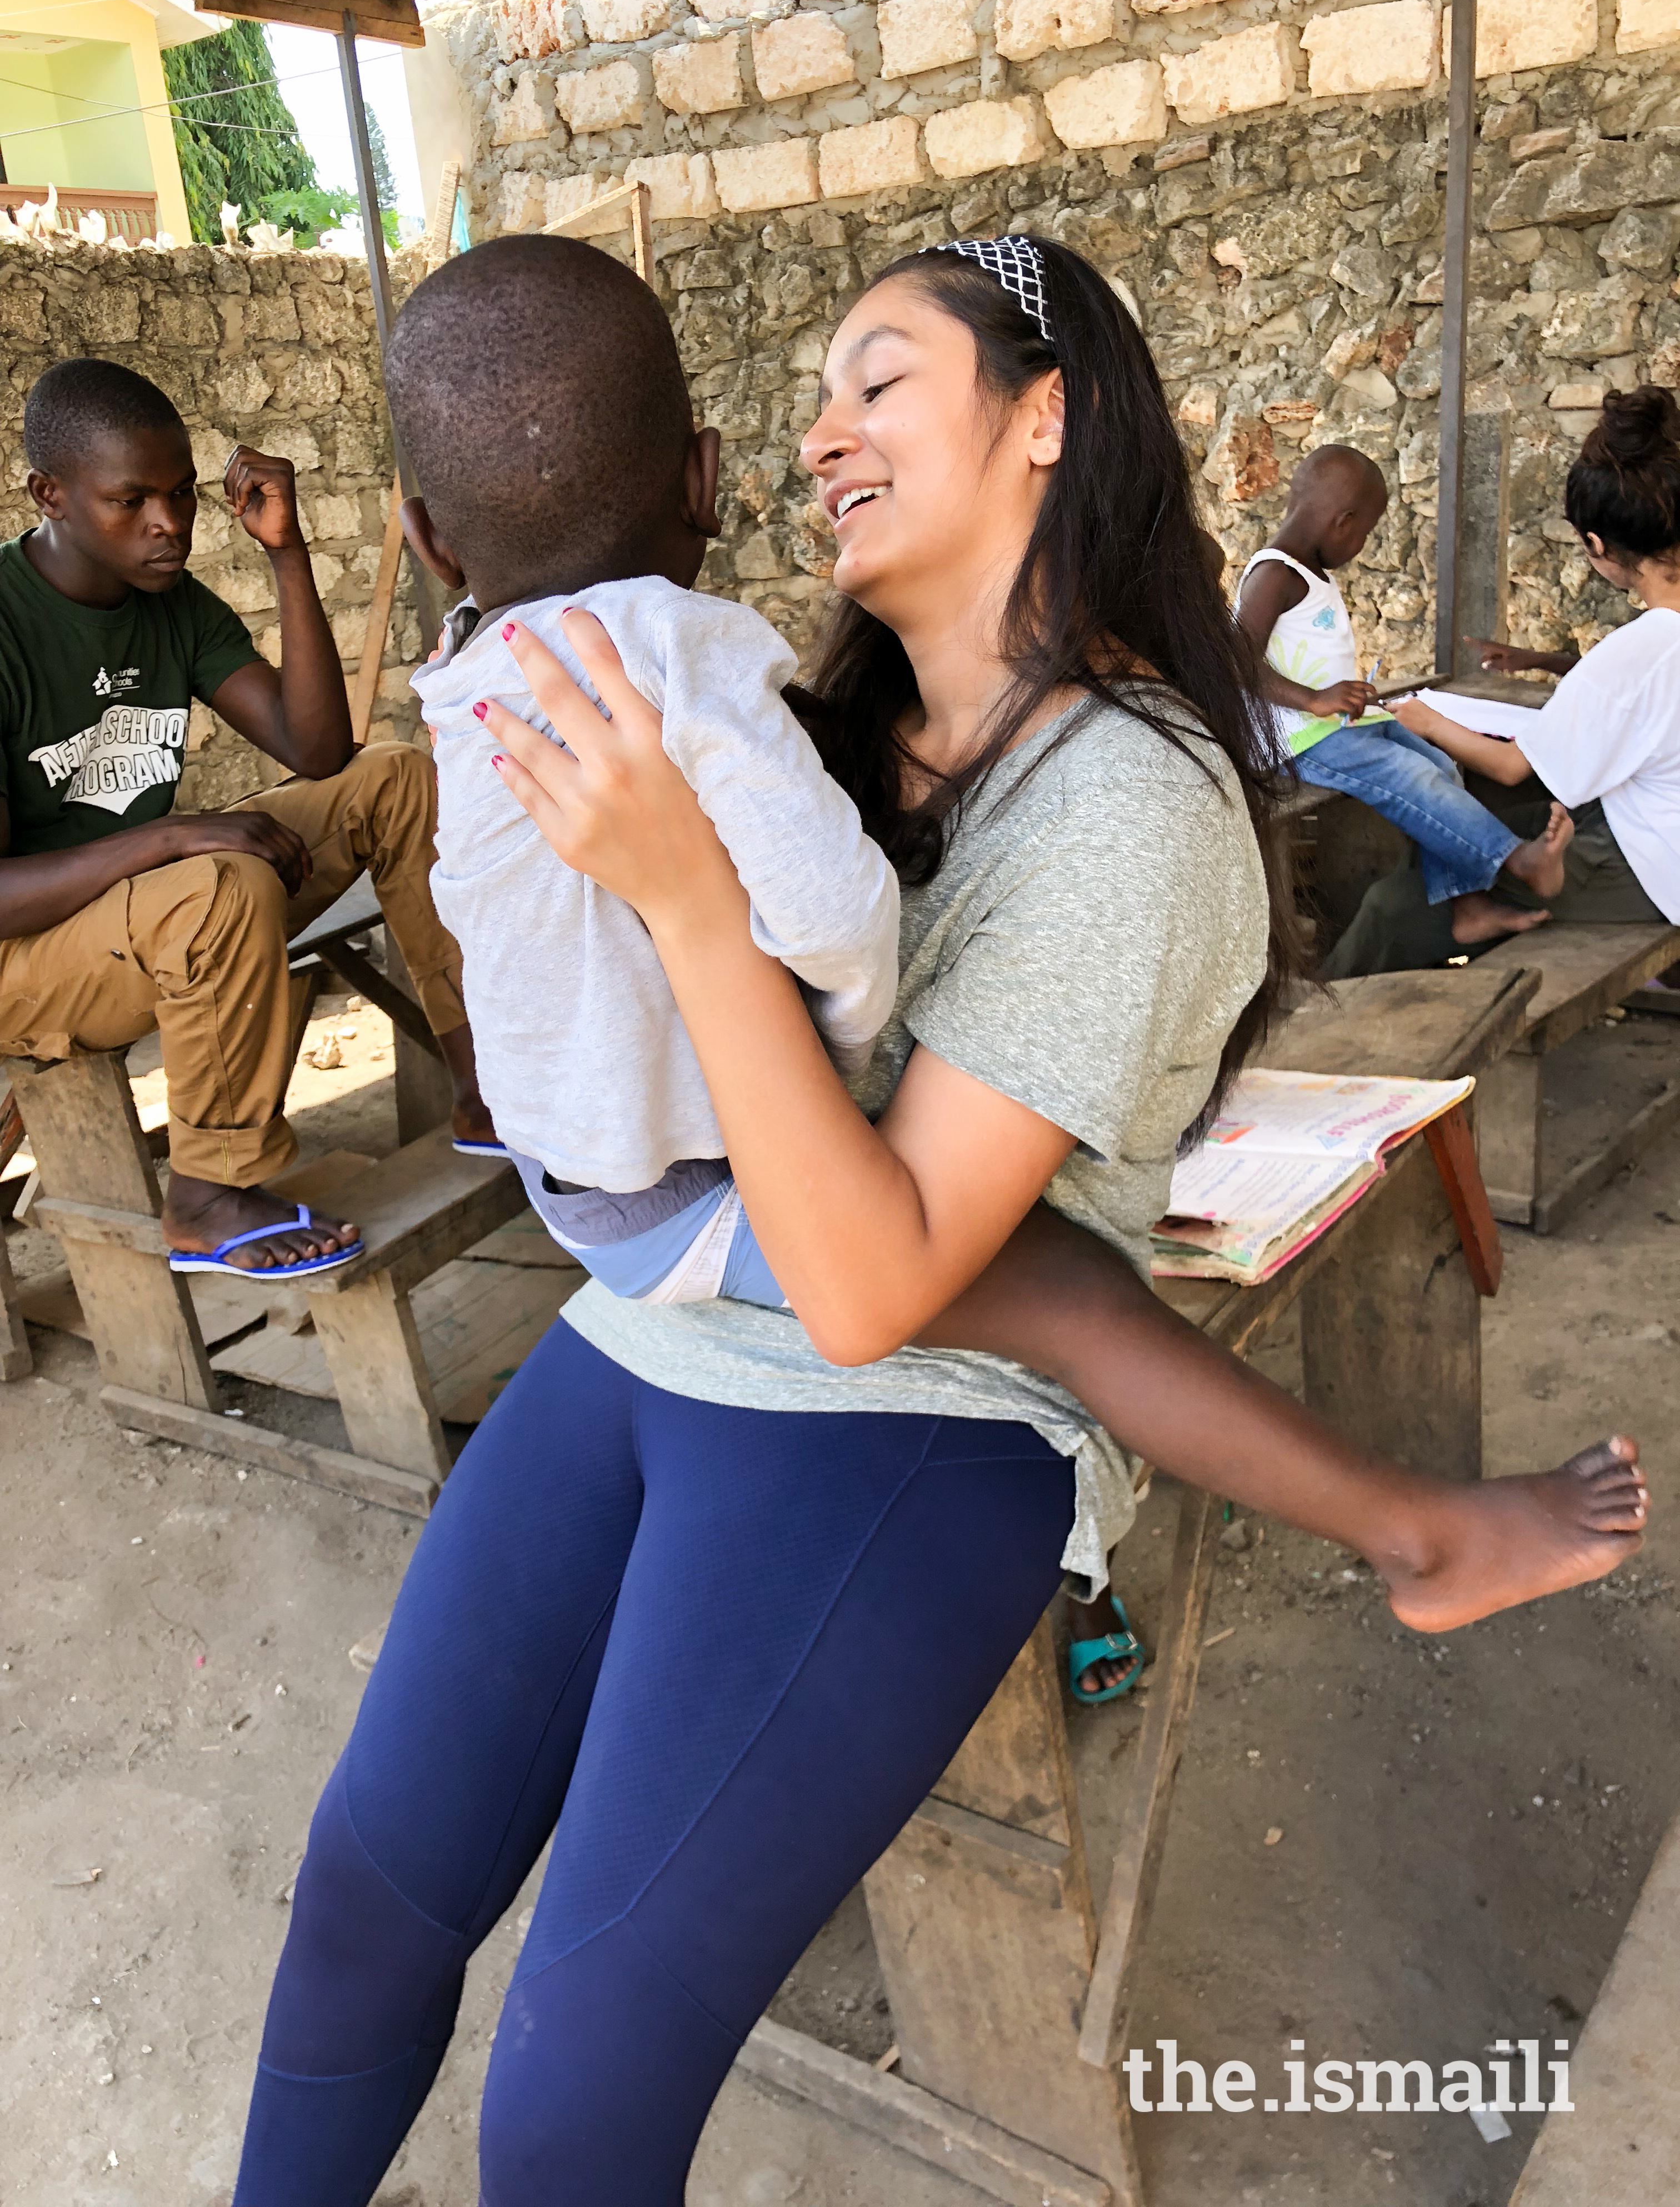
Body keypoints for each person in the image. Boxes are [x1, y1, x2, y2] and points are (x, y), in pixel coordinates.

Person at [231, 239, 1646, 2207]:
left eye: (878, 381)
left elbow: (879, 1278)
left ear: (1043, 418)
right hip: (660, 1327)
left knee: (564, 2102)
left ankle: (1420, 1528)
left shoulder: (1126, 805)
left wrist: (688, 907)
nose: (823, 435)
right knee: (361, 1912)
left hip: (892, 1396)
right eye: (813, 400)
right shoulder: (790, 704)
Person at [386, 236, 899, 1306]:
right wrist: (846, 1063)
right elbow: (837, 918)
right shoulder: (677, 646)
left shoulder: (459, 680)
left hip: (562, 1175)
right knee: (1034, 1278)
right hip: (698, 1188)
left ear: (429, 544)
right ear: (704, 479)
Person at [0, 358, 495, 1277]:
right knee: (215, 884)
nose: (169, 524)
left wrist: (288, 554)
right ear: (50, 494)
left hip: (142, 905)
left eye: (182, 494)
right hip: (25, 962)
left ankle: (481, 1080)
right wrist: (174, 834)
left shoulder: (171, 605)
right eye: (132, 500)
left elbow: (316, 751)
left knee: (392, 777)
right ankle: (209, 1193)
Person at [1331, 387, 1680, 975]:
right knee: (1460, 830)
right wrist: (1544, 664)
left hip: (1648, 867)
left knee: (1393, 906)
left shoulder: (1640, 650)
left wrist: (1427, 719)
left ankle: (1303, 1042)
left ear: (1597, 546)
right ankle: (1465, 914)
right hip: (1646, 828)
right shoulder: (1652, 645)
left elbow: (1514, 766)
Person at [1237, 445, 1574, 951]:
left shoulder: (1308, 573)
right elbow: (1235, 659)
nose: (1364, 543)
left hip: (1338, 726)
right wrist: (1313, 699)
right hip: (1301, 739)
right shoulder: (1275, 573)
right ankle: (1515, 860)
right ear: (1343, 523)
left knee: (1440, 762)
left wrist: (1338, 697)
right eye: (1367, 533)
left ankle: (1466, 905)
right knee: (1410, 775)